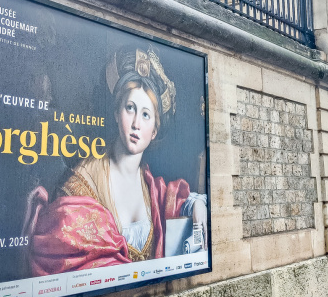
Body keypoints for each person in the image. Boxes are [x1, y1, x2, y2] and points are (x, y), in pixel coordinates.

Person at [23, 47, 207, 276]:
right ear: (116, 113)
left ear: (154, 131)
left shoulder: (147, 181)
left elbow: (170, 202)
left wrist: (196, 205)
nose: (136, 123)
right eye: (130, 108)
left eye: (146, 115)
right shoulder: (82, 184)